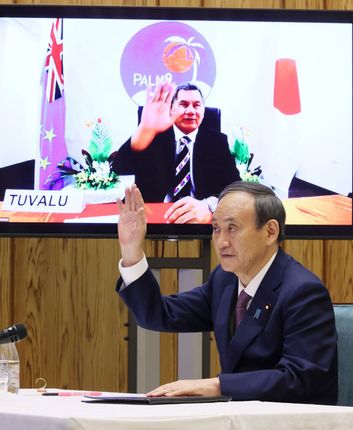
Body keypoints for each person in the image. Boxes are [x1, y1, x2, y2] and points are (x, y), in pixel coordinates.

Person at [115, 181, 338, 404]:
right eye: (216, 229)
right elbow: (158, 315)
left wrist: (217, 385)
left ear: (270, 232)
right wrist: (131, 251)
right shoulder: (224, 280)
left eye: (232, 228)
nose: (221, 242)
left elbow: (299, 378)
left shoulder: (302, 292)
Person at [112, 81, 239, 223]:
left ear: (203, 111)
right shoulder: (152, 135)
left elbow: (235, 187)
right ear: (171, 109)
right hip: (152, 220)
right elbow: (119, 168)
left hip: (197, 220)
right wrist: (145, 130)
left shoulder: (216, 142)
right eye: (184, 104)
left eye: (196, 105)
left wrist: (210, 205)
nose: (191, 111)